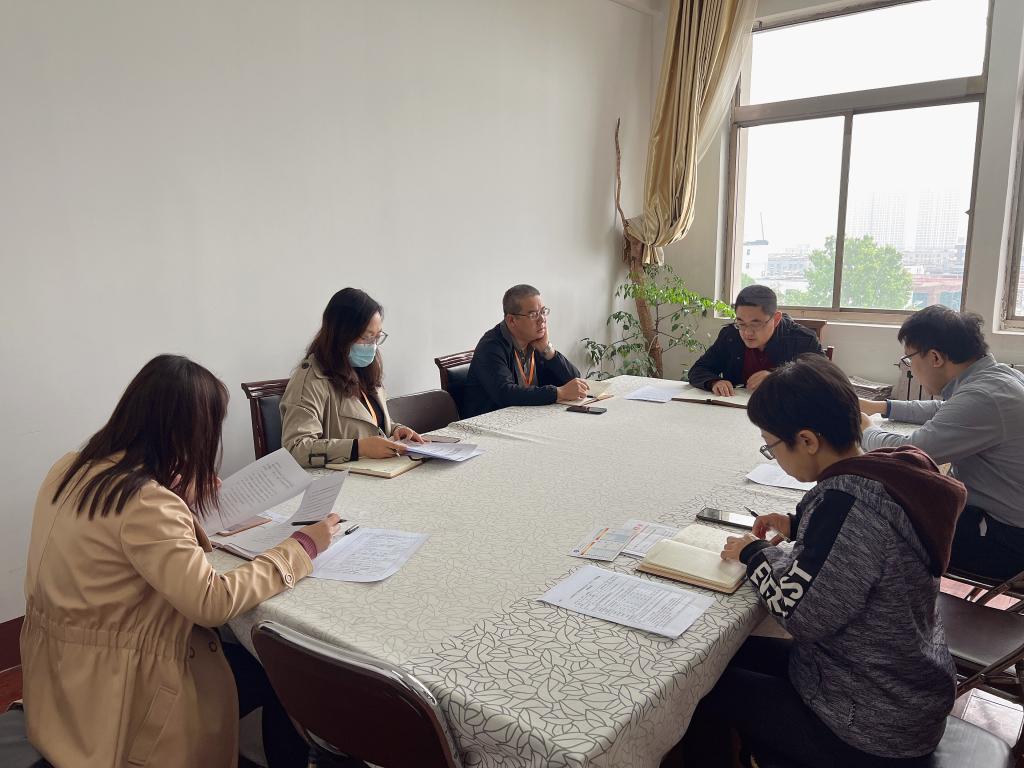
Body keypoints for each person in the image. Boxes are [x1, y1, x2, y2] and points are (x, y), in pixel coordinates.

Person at [20, 355, 342, 768]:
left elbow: (126, 545)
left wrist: (178, 499)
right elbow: (212, 601)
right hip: (126, 689)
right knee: (280, 678)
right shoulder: (145, 502)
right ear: (186, 433)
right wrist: (301, 547)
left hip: (64, 674)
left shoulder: (70, 468)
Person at [683, 354, 965, 768]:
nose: (773, 455)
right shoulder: (889, 472)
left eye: (771, 446)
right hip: (902, 689)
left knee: (698, 688)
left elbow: (798, 613)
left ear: (807, 441)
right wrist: (800, 525)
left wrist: (753, 553)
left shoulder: (844, 505)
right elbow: (870, 544)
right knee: (721, 659)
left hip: (868, 724)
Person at [860, 305, 1024, 581]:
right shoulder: (999, 378)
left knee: (880, 523)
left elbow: (908, 453)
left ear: (935, 357)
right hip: (1004, 525)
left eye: (909, 359)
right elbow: (946, 410)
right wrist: (881, 407)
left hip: (1006, 543)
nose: (910, 367)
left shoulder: (984, 397)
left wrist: (864, 429)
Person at [281, 287, 423, 468]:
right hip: (339, 479)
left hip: (377, 470)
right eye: (366, 337)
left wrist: (396, 429)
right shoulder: (310, 380)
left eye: (377, 337)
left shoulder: (364, 368)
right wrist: (358, 448)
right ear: (341, 335)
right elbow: (296, 449)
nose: (373, 346)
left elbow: (370, 421)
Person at [461, 284, 590, 418]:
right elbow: (505, 393)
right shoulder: (491, 347)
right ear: (512, 320)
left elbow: (574, 380)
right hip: (489, 423)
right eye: (533, 315)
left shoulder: (535, 342)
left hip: (528, 416)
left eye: (543, 312)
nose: (542, 319)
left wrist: (548, 350)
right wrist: (558, 393)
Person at [687, 284, 822, 396]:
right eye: (741, 323)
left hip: (784, 412)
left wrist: (777, 377)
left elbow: (821, 379)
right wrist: (714, 382)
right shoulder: (731, 335)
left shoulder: (803, 339)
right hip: (736, 410)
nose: (747, 332)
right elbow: (699, 369)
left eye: (755, 324)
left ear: (775, 319)